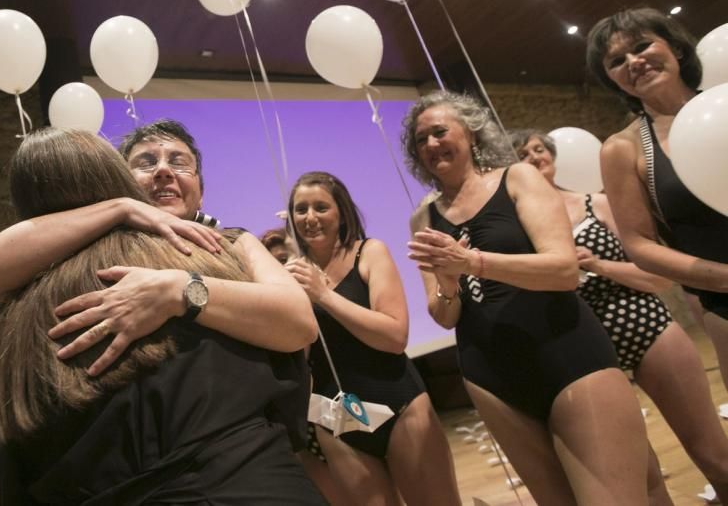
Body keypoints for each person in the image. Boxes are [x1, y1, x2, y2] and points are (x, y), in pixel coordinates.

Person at [0, 128, 324, 504]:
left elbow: (299, 321)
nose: (164, 171)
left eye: (179, 162)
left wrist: (179, 290)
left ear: (201, 189)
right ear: (118, 183)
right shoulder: (56, 263)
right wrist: (123, 210)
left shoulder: (232, 243)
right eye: (146, 163)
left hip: (240, 473)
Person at [403, 91, 649, 505]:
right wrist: (448, 281)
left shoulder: (518, 177)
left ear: (471, 132)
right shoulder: (423, 218)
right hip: (490, 374)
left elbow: (563, 270)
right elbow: (445, 316)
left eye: (439, 131)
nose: (430, 144)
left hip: (566, 352)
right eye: (420, 140)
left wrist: (472, 261)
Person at [515, 129, 728, 502]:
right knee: (640, 476)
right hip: (583, 351)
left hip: (645, 326)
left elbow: (659, 277)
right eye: (523, 154)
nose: (534, 157)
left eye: (539, 149)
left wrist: (599, 265)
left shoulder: (596, 203)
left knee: (712, 452)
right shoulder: (518, 230)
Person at [285, 171, 461, 506]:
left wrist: (323, 295)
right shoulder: (292, 274)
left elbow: (395, 336)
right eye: (300, 209)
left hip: (400, 403)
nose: (309, 218)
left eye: (320, 207)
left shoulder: (369, 252)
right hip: (333, 417)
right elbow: (297, 355)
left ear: (341, 212)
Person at [586, 6, 728, 392]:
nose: (634, 61)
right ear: (613, 80)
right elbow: (640, 246)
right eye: (617, 61)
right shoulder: (622, 149)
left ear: (676, 48)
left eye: (642, 45)